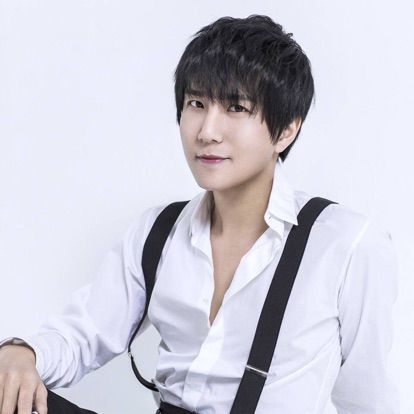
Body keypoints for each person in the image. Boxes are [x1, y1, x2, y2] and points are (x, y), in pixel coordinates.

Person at [0, 14, 399, 414]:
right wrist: (21, 353)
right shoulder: (158, 231)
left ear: (286, 131)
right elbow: (82, 334)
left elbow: (368, 399)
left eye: (236, 107)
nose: (207, 131)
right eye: (197, 104)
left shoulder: (346, 244)